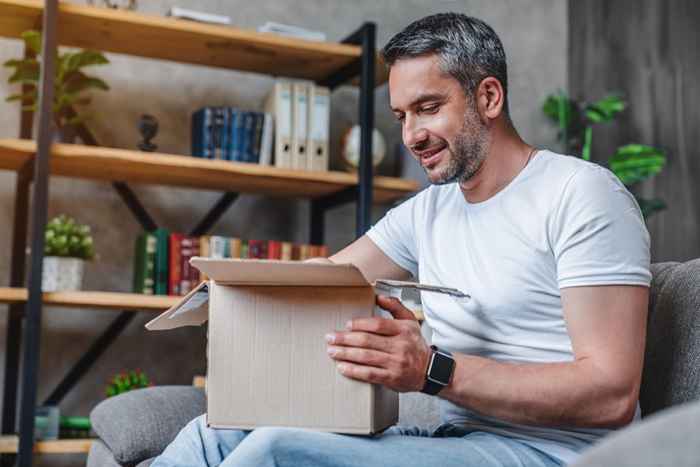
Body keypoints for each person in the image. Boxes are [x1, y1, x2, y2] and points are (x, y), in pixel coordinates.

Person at [152, 12, 650, 467]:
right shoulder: (428, 211)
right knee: (209, 437)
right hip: (461, 443)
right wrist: (232, 294)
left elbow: (611, 394)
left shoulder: (581, 194)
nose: (411, 135)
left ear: (489, 97)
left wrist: (432, 370)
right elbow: (321, 281)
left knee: (275, 450)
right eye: (401, 116)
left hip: (556, 453)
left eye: (428, 108)